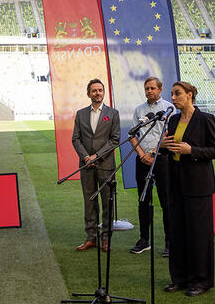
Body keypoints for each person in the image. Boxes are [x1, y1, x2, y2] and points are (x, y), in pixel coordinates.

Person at [162, 81, 215, 297]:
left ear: (190, 95)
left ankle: (201, 280)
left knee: (198, 234)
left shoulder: (205, 119)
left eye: (177, 94)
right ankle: (179, 277)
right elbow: (170, 149)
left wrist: (192, 150)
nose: (174, 97)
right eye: (172, 94)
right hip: (176, 181)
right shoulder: (174, 119)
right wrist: (163, 147)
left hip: (198, 184)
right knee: (177, 232)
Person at [71, 78, 120, 252]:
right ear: (88, 94)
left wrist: (96, 156)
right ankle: (91, 237)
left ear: (104, 92)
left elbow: (114, 140)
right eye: (94, 90)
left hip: (106, 165)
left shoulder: (113, 113)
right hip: (86, 166)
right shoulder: (80, 114)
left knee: (107, 202)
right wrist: (86, 157)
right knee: (89, 202)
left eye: (100, 90)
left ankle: (106, 238)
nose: (97, 93)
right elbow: (75, 139)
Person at [128, 76, 175, 256]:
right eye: (147, 88)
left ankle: (169, 242)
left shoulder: (168, 108)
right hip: (143, 160)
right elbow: (133, 135)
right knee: (143, 200)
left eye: (152, 88)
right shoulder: (139, 110)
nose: (149, 91)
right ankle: (144, 240)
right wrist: (142, 155)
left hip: (162, 159)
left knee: (166, 201)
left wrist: (154, 153)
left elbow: (169, 134)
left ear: (160, 89)